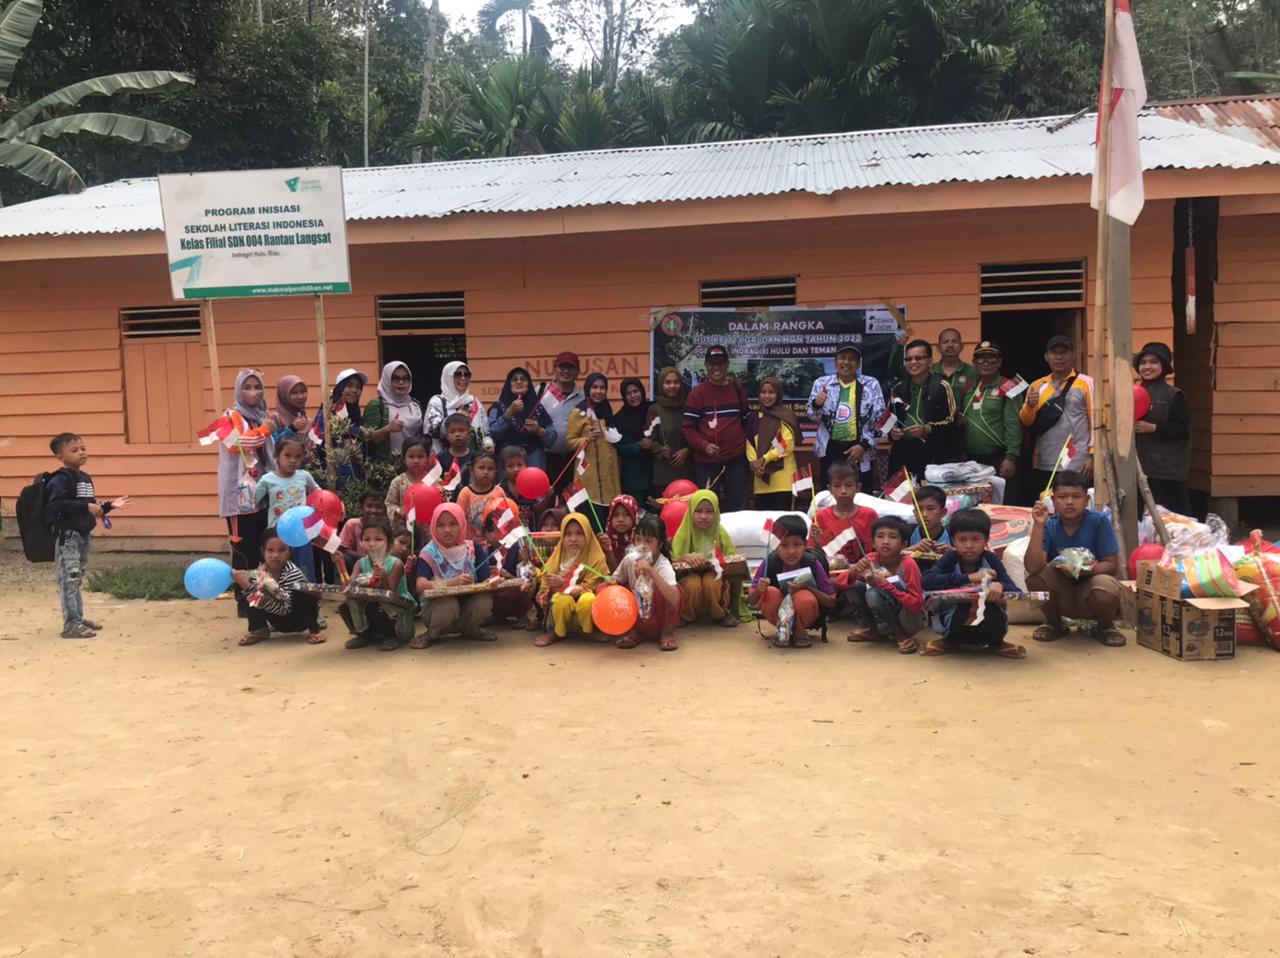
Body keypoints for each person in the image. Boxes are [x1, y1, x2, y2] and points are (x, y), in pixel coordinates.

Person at [1024, 470, 1125, 647]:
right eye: (1062, 497)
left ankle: (1105, 626)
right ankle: (1054, 624)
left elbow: (1112, 565)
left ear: (1086, 500)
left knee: (1107, 584)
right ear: (1053, 501)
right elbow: (1033, 566)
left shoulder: (1099, 521)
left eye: (1076, 496)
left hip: (1090, 589)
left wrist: (1083, 570)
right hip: (1062, 590)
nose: (1069, 502)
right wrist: (1038, 525)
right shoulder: (1049, 524)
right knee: (1035, 579)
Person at [45, 433, 131, 639]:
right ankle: (71, 625)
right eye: (74, 450)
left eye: (82, 448)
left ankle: (77, 617)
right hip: (69, 537)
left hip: (83, 536)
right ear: (60, 457)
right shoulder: (60, 479)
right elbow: (56, 505)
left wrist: (108, 506)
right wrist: (87, 506)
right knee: (70, 579)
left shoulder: (84, 478)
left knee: (77, 577)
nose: (81, 452)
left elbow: (92, 508)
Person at [920, 509, 1025, 658]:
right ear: (953, 541)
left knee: (992, 613)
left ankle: (996, 643)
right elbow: (927, 580)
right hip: (955, 614)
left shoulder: (991, 559)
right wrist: (969, 578)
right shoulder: (950, 558)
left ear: (986, 540)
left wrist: (1000, 586)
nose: (969, 545)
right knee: (964, 612)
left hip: (989, 613)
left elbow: (1014, 589)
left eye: (975, 539)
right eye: (962, 539)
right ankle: (949, 642)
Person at [220, 369, 278, 617]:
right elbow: (235, 444)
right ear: (237, 390)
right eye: (247, 387)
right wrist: (265, 430)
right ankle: (244, 601)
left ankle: (263, 595)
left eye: (258, 387)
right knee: (242, 550)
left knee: (261, 548)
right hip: (238, 498)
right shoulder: (228, 416)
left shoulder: (262, 415)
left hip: (262, 494)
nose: (253, 392)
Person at [414, 502, 498, 648]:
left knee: (484, 599)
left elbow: (486, 579)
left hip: (467, 605)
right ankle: (433, 633)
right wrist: (451, 583)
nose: (447, 530)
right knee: (448, 604)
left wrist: (494, 581)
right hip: (438, 610)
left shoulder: (473, 549)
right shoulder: (429, 553)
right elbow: (420, 585)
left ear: (462, 524)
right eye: (441, 525)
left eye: (453, 524)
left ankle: (470, 629)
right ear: (433, 527)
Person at [1019, 335, 1094, 497]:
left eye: (1064, 352)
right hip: (1043, 461)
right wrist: (1030, 406)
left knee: (1076, 506)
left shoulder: (1087, 383)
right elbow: (1026, 422)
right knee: (1047, 506)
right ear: (1047, 357)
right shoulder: (1037, 385)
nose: (1059, 357)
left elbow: (1096, 422)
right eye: (1054, 353)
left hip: (1077, 462)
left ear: (1073, 355)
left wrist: (1092, 456)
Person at [805, 344, 886, 492]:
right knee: (830, 493)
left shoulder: (870, 384)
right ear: (835, 362)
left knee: (861, 494)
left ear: (858, 364)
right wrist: (817, 404)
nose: (846, 362)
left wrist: (864, 445)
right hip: (830, 448)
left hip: (860, 448)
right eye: (842, 358)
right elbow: (812, 417)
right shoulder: (822, 383)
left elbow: (881, 420)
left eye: (852, 359)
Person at [681, 345, 753, 512]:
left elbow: (746, 420)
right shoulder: (697, 394)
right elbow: (688, 428)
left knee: (738, 507)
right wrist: (703, 445)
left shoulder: (737, 389)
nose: (716, 368)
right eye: (712, 363)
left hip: (736, 460)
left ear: (727, 365)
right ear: (706, 365)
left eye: (720, 363)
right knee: (707, 507)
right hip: (706, 462)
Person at [749, 514, 837, 648]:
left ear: (805, 544)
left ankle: (799, 632)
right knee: (770, 592)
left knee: (804, 597)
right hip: (777, 611)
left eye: (797, 545)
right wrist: (759, 590)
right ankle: (783, 629)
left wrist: (807, 587)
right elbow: (751, 600)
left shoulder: (812, 563)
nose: (791, 551)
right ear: (776, 545)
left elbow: (831, 601)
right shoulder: (770, 563)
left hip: (808, 614)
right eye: (784, 545)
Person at [231, 527, 325, 646]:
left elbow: (284, 608)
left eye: (281, 550)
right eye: (270, 550)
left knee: (302, 590)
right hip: (277, 620)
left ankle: (314, 631)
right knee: (250, 591)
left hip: (298, 620)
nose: (275, 555)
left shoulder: (292, 573)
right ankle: (259, 629)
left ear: (290, 552)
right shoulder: (261, 573)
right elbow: (257, 599)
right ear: (262, 551)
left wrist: (251, 589)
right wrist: (249, 589)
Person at [846, 516, 926, 653]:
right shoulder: (871, 559)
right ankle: (873, 629)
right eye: (880, 536)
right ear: (872, 542)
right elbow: (842, 582)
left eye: (893, 537)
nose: (886, 542)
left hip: (908, 617)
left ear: (903, 544)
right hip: (883, 606)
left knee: (873, 593)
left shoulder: (907, 564)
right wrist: (854, 572)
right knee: (855, 586)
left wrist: (885, 584)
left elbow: (916, 604)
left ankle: (900, 635)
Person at [1134, 342, 1192, 516]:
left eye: (1153, 362)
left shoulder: (1174, 395)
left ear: (1164, 366)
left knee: (1166, 518)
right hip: (1136, 466)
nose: (1147, 367)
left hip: (1165, 471)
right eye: (1143, 362)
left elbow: (1182, 430)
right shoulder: (1131, 392)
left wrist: (1154, 428)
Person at [534, 512, 609, 647]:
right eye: (568, 534)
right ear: (562, 536)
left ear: (588, 535)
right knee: (562, 600)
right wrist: (554, 587)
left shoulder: (597, 558)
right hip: (559, 609)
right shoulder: (557, 557)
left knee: (588, 598)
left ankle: (587, 631)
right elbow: (543, 590)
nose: (573, 539)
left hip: (583, 608)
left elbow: (596, 587)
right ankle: (557, 631)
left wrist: (565, 584)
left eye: (579, 533)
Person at [887, 340, 958, 480]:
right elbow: (890, 421)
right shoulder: (898, 389)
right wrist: (892, 433)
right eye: (908, 359)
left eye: (919, 358)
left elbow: (952, 420)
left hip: (932, 452)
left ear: (930, 361)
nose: (913, 362)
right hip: (902, 452)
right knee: (898, 497)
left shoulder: (942, 386)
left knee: (929, 498)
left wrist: (926, 429)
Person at [341, 518, 415, 652]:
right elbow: (350, 584)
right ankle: (366, 635)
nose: (372, 544)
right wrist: (339, 563)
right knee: (344, 606)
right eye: (367, 539)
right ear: (361, 542)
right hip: (371, 604)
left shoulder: (396, 564)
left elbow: (389, 593)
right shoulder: (360, 563)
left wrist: (383, 575)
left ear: (389, 543)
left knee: (374, 607)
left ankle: (390, 636)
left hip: (395, 610)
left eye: (378, 539)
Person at [612, 514, 684, 651]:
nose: (642, 546)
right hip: (637, 616)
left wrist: (651, 571)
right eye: (638, 540)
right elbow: (616, 579)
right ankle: (633, 631)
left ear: (660, 544)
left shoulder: (663, 565)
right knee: (608, 588)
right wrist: (612, 582)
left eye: (648, 541)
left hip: (658, 618)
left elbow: (675, 599)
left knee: (670, 591)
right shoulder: (629, 560)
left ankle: (667, 633)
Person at [254, 435, 320, 581]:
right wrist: (246, 486)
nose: (292, 460)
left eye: (298, 456)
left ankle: (308, 600)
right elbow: (253, 501)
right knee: (278, 568)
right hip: (277, 533)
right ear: (276, 456)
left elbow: (319, 495)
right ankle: (278, 598)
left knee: (304, 567)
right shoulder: (267, 479)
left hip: (301, 533)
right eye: (287, 455)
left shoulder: (304, 476)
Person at [671, 489, 740, 628]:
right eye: (698, 511)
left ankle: (720, 614)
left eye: (709, 511)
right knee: (692, 583)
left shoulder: (721, 534)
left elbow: (734, 562)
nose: (703, 516)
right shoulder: (682, 533)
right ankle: (686, 614)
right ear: (690, 512)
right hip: (688, 576)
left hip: (715, 577)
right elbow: (670, 563)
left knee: (711, 581)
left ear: (716, 513)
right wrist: (684, 558)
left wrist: (717, 561)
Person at [959, 341, 1022, 491]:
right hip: (972, 461)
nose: (986, 363)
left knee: (1002, 506)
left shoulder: (1009, 387)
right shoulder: (968, 387)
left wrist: (1011, 457)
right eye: (981, 358)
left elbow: (1014, 425)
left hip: (999, 458)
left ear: (999, 362)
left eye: (992, 358)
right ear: (974, 362)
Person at [565, 372, 622, 525]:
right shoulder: (579, 412)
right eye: (595, 387)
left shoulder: (607, 410)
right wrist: (587, 439)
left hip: (609, 475)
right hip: (588, 475)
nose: (599, 391)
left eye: (602, 388)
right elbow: (569, 442)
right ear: (588, 388)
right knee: (590, 521)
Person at [747, 376, 800, 510]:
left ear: (778, 394)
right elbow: (749, 443)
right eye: (763, 392)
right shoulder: (753, 418)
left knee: (783, 523)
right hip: (761, 479)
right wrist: (754, 463)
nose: (767, 396)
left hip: (783, 480)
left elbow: (785, 444)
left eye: (771, 392)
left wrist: (764, 459)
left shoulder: (786, 416)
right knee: (764, 525)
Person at [808, 463, 875, 569]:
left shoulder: (869, 515)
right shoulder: (820, 517)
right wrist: (818, 540)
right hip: (834, 572)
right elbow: (812, 553)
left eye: (848, 485)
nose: (843, 491)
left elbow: (878, 550)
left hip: (866, 570)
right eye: (837, 486)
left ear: (858, 487)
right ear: (829, 489)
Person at [311, 368, 368, 492]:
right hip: (333, 481)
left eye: (358, 387)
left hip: (357, 482)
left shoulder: (356, 416)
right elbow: (314, 445)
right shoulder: (326, 414)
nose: (354, 390)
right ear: (340, 388)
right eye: (350, 385)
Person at [488, 366, 556, 470]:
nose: (519, 382)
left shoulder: (538, 408)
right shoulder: (498, 408)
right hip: (507, 461)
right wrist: (508, 413)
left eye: (523, 379)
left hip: (533, 460)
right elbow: (492, 433)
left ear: (529, 384)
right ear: (508, 384)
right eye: (514, 379)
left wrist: (538, 430)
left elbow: (551, 439)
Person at [646, 366, 695, 504]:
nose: (672, 386)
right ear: (661, 384)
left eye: (676, 382)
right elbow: (648, 439)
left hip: (686, 472)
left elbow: (697, 433)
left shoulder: (689, 408)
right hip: (663, 473)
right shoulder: (654, 410)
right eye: (668, 382)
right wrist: (659, 449)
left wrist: (687, 450)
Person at [540, 351, 585, 493]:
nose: (566, 371)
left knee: (572, 500)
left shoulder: (583, 397)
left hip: (573, 459)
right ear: (554, 369)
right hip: (546, 458)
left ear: (578, 372)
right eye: (562, 367)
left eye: (570, 367)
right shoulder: (541, 392)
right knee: (546, 497)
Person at [364, 361, 424, 462]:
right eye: (395, 378)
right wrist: (387, 429)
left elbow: (422, 436)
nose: (401, 382)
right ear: (387, 380)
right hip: (385, 468)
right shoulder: (377, 405)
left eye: (405, 378)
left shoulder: (415, 405)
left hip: (412, 466)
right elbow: (367, 440)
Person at [424, 361, 488, 454]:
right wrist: (455, 417)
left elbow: (486, 431)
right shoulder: (437, 401)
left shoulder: (474, 402)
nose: (463, 378)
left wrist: (488, 442)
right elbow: (433, 431)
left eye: (467, 375)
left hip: (473, 459)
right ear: (448, 377)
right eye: (457, 374)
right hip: (444, 460)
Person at [614, 377, 654, 508]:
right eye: (628, 393)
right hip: (635, 478)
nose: (633, 396)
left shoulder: (652, 410)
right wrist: (637, 446)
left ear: (642, 391)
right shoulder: (619, 418)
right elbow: (619, 448)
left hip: (657, 473)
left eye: (636, 391)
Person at [385, 437, 439, 526]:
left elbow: (444, 503)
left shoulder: (435, 481)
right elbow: (389, 504)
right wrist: (399, 511)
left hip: (430, 527)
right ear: (403, 458)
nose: (416, 461)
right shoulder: (398, 482)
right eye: (411, 456)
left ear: (428, 458)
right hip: (404, 528)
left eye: (420, 456)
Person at [456, 450, 504, 539]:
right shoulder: (465, 493)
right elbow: (460, 519)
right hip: (471, 541)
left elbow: (504, 518)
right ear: (471, 470)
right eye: (481, 468)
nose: (486, 472)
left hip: (494, 540)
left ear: (496, 472)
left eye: (490, 469)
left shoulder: (499, 491)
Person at [338, 491, 387, 573]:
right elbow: (343, 548)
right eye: (369, 506)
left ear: (385, 510)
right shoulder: (352, 524)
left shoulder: (388, 526)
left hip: (383, 562)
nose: (373, 510)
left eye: (379, 507)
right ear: (361, 508)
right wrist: (364, 557)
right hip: (357, 562)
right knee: (345, 558)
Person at [498, 444, 540, 530]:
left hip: (531, 535)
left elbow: (538, 508)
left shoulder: (532, 486)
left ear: (526, 466)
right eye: (510, 466)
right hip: (508, 536)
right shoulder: (500, 490)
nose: (516, 469)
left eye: (520, 465)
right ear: (504, 470)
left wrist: (547, 496)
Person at [932, 328, 976, 396]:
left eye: (954, 341)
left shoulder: (972, 372)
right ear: (938, 347)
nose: (950, 345)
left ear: (962, 346)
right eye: (945, 342)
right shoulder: (930, 371)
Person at [907, 486, 952, 553]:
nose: (924, 514)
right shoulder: (907, 533)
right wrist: (909, 551)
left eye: (930, 509)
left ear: (943, 512)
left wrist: (954, 553)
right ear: (914, 512)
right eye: (920, 509)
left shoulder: (952, 535)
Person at [439, 413, 477, 487]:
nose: (457, 434)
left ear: (469, 434)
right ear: (447, 436)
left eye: (461, 430)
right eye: (452, 431)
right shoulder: (440, 457)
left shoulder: (475, 457)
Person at [273, 375, 311, 443]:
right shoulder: (275, 420)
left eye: (302, 391)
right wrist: (292, 428)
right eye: (294, 393)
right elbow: (273, 445)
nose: (300, 396)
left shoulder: (309, 423)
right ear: (284, 395)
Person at [604, 494, 639, 568]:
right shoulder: (605, 540)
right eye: (616, 515)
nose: (621, 519)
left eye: (627, 514)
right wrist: (609, 552)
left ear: (634, 515)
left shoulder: (642, 539)